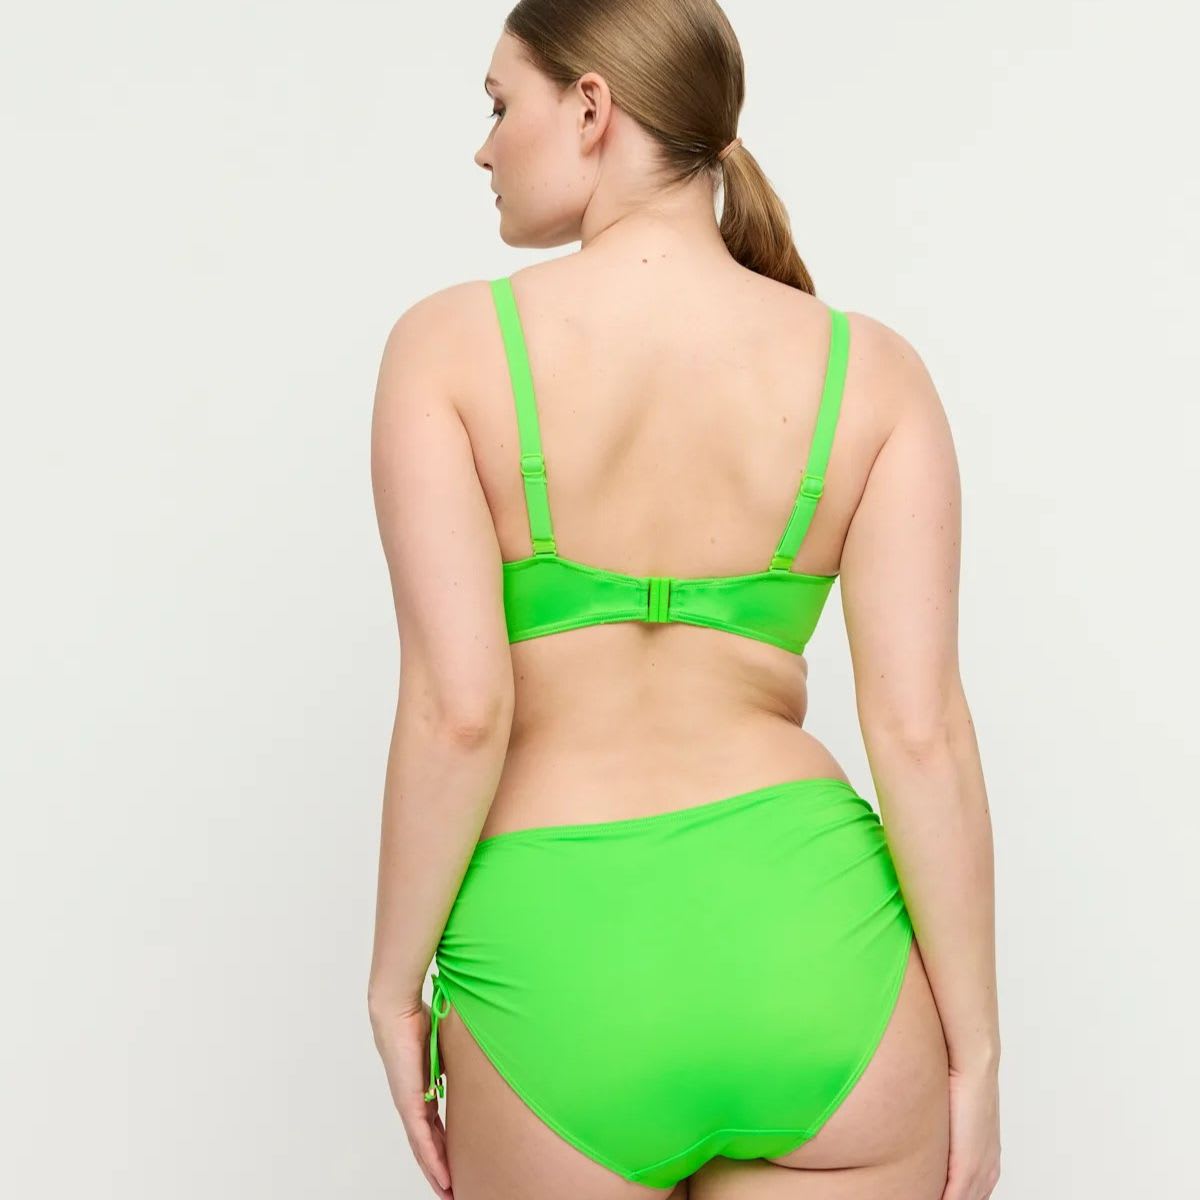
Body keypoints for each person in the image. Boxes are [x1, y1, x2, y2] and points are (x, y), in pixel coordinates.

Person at [366, 2, 1001, 1198]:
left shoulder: (447, 349)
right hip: (820, 954)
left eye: (500, 105)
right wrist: (973, 1053)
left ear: (590, 108)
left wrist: (394, 989)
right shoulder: (871, 371)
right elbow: (920, 734)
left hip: (564, 960)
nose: (484, 147)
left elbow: (460, 712)